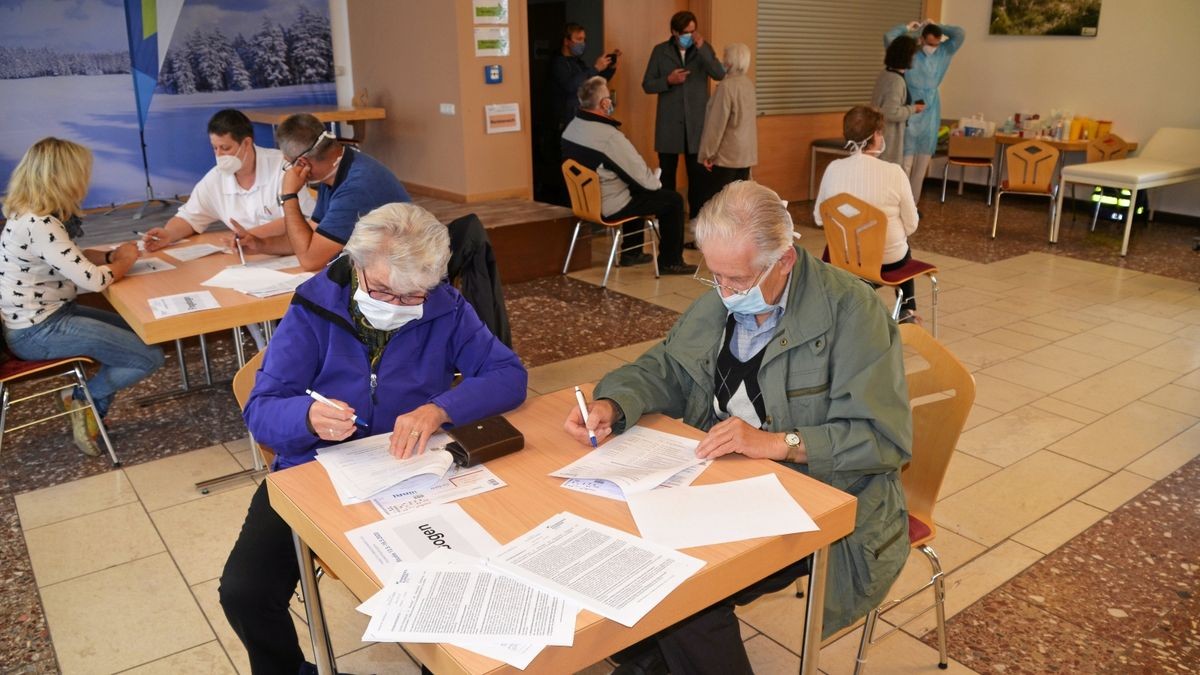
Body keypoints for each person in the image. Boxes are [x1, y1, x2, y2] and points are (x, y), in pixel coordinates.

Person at [564, 180, 911, 675]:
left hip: (820, 497)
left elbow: (883, 441)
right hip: (722, 483)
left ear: (784, 261)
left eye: (737, 280)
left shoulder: (853, 314)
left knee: (685, 595)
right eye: (717, 277)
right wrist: (613, 403)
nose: (725, 293)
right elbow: (667, 367)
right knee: (629, 556)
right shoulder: (726, 298)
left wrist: (777, 443)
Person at [219, 202, 527, 675]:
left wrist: (441, 407)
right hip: (315, 469)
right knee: (245, 591)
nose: (400, 306)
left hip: (413, 469)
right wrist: (307, 417)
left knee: (453, 588)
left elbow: (510, 376)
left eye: (413, 295)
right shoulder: (312, 307)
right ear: (356, 264)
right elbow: (261, 410)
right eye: (385, 291)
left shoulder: (446, 306)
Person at [1, 138, 164, 455]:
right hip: (39, 331)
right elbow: (93, 280)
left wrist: (111, 255)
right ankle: (83, 400)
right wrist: (125, 260)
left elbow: (73, 259)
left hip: (48, 316)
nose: (86, 181)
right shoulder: (40, 223)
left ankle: (87, 405)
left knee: (139, 334)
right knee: (148, 357)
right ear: (64, 177)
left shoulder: (28, 214)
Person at [233, 113, 412, 271]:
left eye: (289, 164)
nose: (289, 171)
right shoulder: (337, 170)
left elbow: (310, 260)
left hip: (405, 272)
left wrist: (288, 196)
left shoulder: (355, 186)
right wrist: (259, 244)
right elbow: (309, 237)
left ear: (303, 164)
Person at [561, 76, 696, 275]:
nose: (611, 101)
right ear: (604, 103)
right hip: (609, 206)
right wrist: (652, 181)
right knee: (672, 200)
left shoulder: (572, 127)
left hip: (586, 203)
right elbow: (648, 183)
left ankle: (632, 254)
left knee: (633, 189)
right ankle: (670, 261)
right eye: (609, 97)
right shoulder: (609, 137)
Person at [140, 109, 316, 251]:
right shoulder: (216, 178)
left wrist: (249, 236)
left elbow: (303, 219)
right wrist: (168, 234)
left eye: (225, 148)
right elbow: (190, 217)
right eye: (214, 148)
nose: (218, 155)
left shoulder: (282, 166)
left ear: (246, 143)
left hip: (293, 254)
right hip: (246, 258)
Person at [814, 106, 921, 323]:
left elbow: (818, 217)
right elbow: (912, 225)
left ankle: (856, 297)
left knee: (851, 257)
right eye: (881, 133)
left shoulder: (833, 168)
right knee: (903, 245)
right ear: (875, 136)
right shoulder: (894, 172)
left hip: (842, 259)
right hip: (888, 261)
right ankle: (907, 309)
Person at [642, 10, 725, 220]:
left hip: (696, 126)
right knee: (667, 176)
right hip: (669, 125)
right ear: (674, 32)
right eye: (686, 32)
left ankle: (698, 222)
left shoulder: (702, 50)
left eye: (693, 31)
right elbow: (647, 84)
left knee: (698, 179)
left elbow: (719, 73)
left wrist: (703, 48)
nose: (691, 35)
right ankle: (668, 219)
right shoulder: (660, 51)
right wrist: (668, 81)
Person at [884, 20, 966, 202]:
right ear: (922, 39)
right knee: (904, 164)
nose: (932, 48)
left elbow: (960, 33)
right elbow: (889, 38)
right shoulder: (911, 52)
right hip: (910, 106)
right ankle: (899, 203)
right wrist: (909, 29)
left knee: (921, 166)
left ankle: (913, 205)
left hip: (931, 111)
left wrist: (938, 25)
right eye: (929, 44)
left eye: (936, 44)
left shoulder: (944, 52)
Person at [696, 42, 757, 215]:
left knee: (718, 204)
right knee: (738, 203)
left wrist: (708, 154)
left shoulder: (726, 86)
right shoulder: (748, 85)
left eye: (725, 58)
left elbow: (716, 125)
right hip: (745, 155)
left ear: (729, 62)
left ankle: (714, 240)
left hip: (726, 156)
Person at [549, 22, 620, 131]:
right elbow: (570, 86)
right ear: (566, 41)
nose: (582, 43)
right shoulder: (558, 63)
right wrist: (595, 68)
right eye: (579, 39)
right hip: (565, 121)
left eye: (584, 39)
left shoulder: (578, 63)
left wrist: (610, 68)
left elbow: (594, 83)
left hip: (580, 117)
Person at [871, 35, 925, 166]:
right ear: (906, 56)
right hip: (888, 137)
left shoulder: (885, 74)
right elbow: (891, 113)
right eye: (912, 54)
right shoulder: (896, 81)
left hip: (879, 134)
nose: (914, 58)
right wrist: (913, 109)